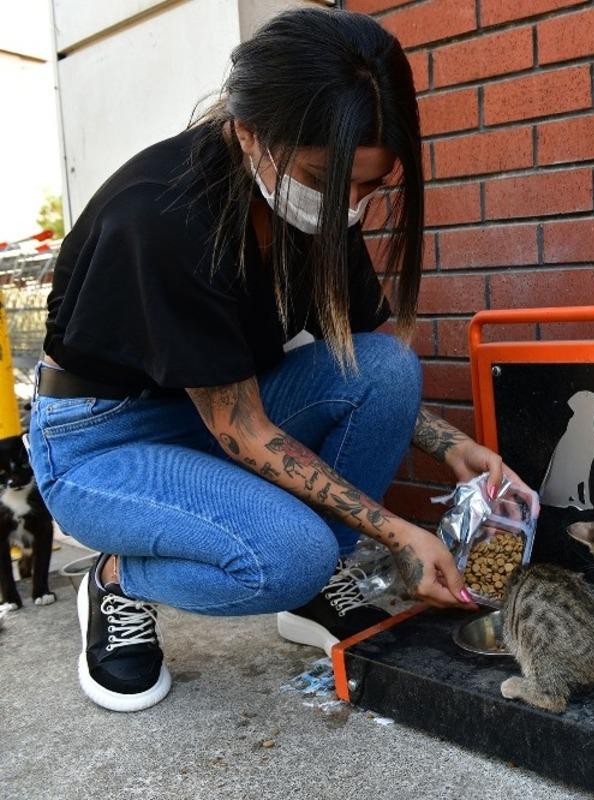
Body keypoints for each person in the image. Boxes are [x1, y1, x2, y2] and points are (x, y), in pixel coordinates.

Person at [28, 7, 528, 713]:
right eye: (328, 182)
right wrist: (396, 533)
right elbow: (244, 431)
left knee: (384, 368)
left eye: (369, 188)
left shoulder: (315, 203)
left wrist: (455, 447)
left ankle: (313, 587)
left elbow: (356, 365)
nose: (347, 210)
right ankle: (118, 579)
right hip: (103, 442)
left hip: (220, 413)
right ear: (248, 132)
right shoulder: (165, 217)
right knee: (288, 555)